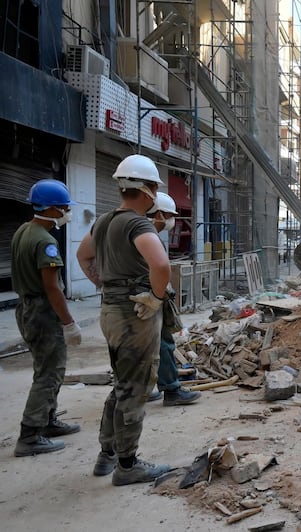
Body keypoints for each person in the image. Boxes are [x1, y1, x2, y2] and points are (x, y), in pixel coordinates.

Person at [76, 154, 172, 486]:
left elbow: (83, 255)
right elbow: (160, 266)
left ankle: (108, 455)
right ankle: (128, 465)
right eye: (154, 187)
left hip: (111, 311)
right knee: (136, 387)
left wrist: (104, 285)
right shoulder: (137, 222)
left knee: (121, 383)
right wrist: (156, 297)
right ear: (146, 189)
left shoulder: (102, 221)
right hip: (135, 315)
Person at [12, 179, 82, 457]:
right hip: (42, 311)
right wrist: (69, 323)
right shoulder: (45, 241)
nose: (67, 212)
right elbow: (52, 287)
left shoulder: (23, 231)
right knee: (49, 373)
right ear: (52, 209)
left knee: (47, 368)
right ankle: (30, 434)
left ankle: (47, 421)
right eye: (64, 207)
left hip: (27, 307)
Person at [145, 192, 201, 407]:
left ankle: (141, 388)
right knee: (164, 343)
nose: (172, 221)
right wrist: (158, 296)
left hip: (132, 298)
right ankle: (171, 389)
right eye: (169, 215)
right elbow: (159, 269)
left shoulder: (127, 229)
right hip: (148, 298)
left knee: (136, 346)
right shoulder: (146, 234)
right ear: (158, 214)